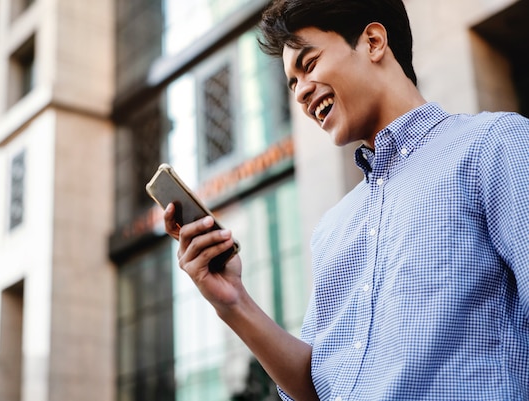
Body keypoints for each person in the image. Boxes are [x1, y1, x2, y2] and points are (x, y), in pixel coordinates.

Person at [163, 0, 529, 399]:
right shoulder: (332, 229)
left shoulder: (492, 146)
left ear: (373, 42)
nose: (301, 92)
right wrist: (233, 302)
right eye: (292, 83)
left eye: (309, 64)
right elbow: (316, 387)